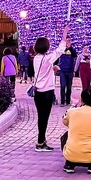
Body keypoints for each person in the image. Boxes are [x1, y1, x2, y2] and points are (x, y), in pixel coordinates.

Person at [32, 24, 70, 152]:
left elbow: (42, 71)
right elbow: (60, 50)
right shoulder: (48, 58)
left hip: (38, 93)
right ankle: (40, 142)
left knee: (41, 117)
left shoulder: (36, 59)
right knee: (44, 118)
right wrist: (64, 33)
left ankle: (41, 141)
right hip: (46, 93)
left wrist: (52, 68)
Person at [56, 36, 77, 106]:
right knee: (62, 86)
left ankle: (68, 101)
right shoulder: (61, 50)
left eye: (69, 41)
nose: (68, 42)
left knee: (69, 87)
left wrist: (70, 48)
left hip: (70, 70)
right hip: (62, 70)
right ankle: (62, 101)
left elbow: (74, 56)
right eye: (67, 41)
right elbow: (57, 56)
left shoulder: (72, 49)